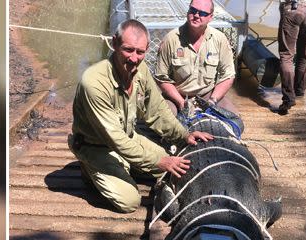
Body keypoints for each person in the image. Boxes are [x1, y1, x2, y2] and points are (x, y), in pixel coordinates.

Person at [69, 19, 213, 213]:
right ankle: (89, 168)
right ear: (114, 43)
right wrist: (158, 161)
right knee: (129, 202)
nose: (134, 58)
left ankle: (126, 164)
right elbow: (116, 139)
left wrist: (184, 135)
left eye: (140, 52)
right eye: (128, 50)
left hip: (129, 137)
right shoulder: (93, 82)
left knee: (177, 170)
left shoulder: (141, 70)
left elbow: (157, 110)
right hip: (96, 147)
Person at [155, 0, 238, 116]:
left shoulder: (220, 40)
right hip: (177, 96)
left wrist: (212, 101)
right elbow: (161, 78)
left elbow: (228, 76)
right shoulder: (170, 39)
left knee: (233, 118)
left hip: (207, 95)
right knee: (162, 118)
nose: (196, 15)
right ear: (188, 11)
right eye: (193, 10)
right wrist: (181, 102)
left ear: (210, 17)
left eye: (203, 13)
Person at [276, 0, 306, 115]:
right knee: (303, 55)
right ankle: (299, 92)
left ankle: (288, 98)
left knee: (286, 56)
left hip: (292, 9)